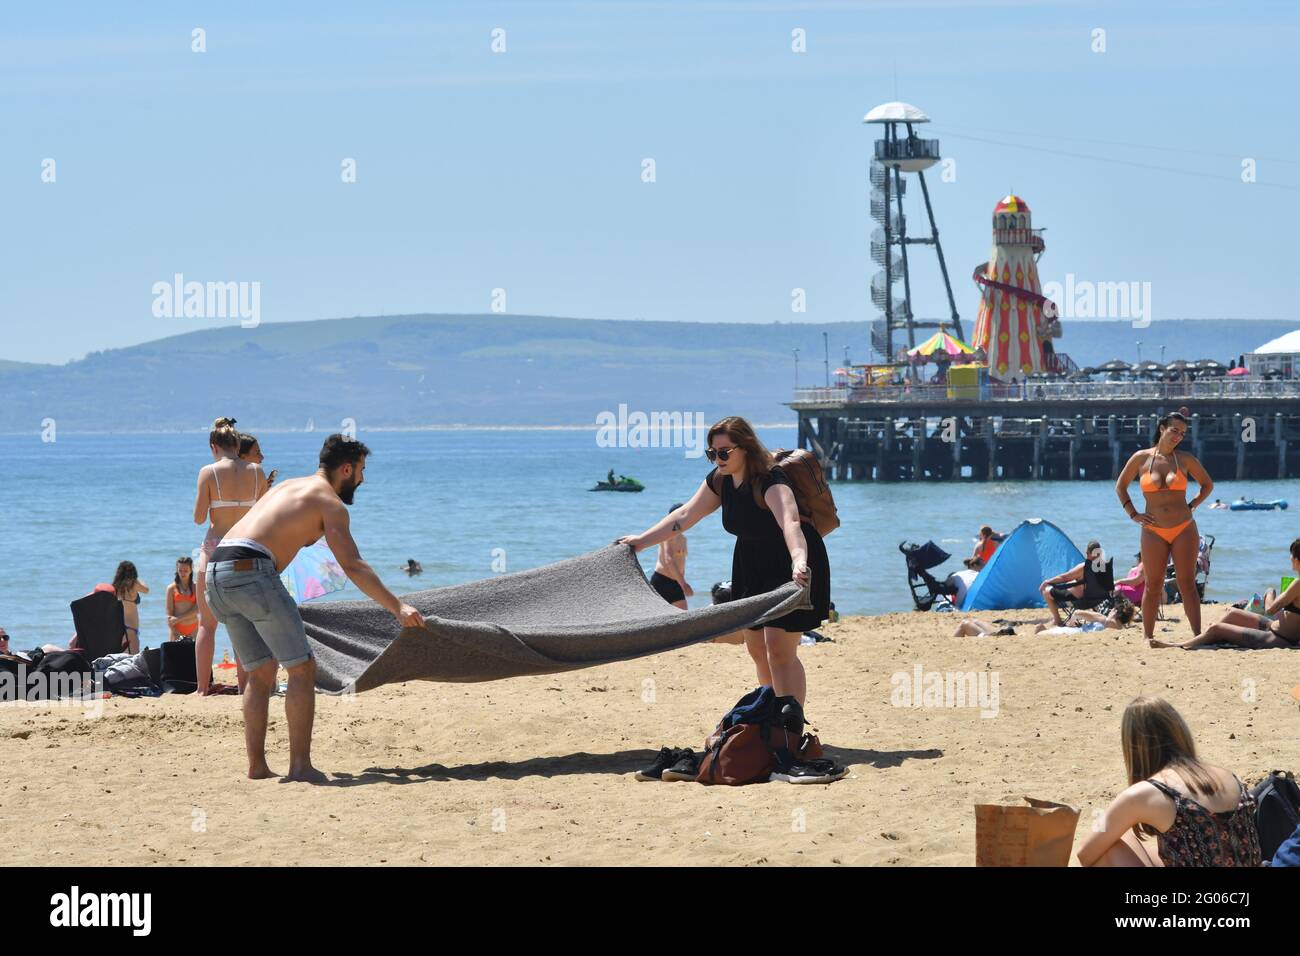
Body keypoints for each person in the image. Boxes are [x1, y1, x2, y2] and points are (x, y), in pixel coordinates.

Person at [205, 434, 425, 782]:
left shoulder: (289, 486)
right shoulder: (330, 503)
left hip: (217, 572)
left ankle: (257, 767)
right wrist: (397, 607)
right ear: (346, 468)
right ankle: (300, 767)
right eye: (362, 471)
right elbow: (354, 565)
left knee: (260, 674)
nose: (363, 480)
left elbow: (270, 530)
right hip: (251, 571)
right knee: (302, 668)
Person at [617, 416, 830, 709]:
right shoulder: (721, 481)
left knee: (779, 650)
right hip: (751, 563)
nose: (716, 459)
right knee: (756, 648)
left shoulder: (770, 481)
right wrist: (641, 541)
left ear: (746, 448)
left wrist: (799, 560)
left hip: (789, 565)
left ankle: (790, 724)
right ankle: (767, 715)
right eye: (711, 453)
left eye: (723, 452)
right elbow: (684, 516)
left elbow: (791, 523)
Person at [1077, 697, 1261, 867]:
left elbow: (1085, 853)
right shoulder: (1227, 775)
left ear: (1134, 747)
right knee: (1125, 836)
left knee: (1111, 844)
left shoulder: (1147, 792)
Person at [1116, 411, 1212, 642]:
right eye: (1174, 430)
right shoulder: (1141, 458)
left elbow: (1207, 485)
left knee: (1186, 582)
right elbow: (1120, 486)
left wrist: (1193, 505)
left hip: (1184, 528)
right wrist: (1133, 514)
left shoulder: (1185, 459)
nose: (1178, 436)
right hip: (1153, 530)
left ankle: (1197, 635)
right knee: (1153, 584)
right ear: (1162, 428)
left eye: (1183, 433)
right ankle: (1148, 636)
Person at [193, 417, 267, 695]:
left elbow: (199, 518)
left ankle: (202, 689)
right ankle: (245, 687)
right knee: (243, 623)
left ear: (214, 446)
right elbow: (263, 515)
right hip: (246, 547)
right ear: (237, 445)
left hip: (215, 549)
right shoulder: (257, 472)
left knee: (206, 624)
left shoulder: (208, 472)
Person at [1150, 538, 1300, 650]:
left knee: (1217, 628)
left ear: (1298, 560)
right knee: (1233, 614)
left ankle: (1180, 646)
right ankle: (1207, 638)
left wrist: (1270, 593)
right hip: (1274, 627)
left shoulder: (1298, 583)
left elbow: (1271, 610)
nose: (1289, 558)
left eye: (1291, 555)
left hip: (1276, 639)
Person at [1038, 541, 1103, 626]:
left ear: (1088, 553)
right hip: (1096, 601)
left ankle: (1057, 620)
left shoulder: (1084, 567)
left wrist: (1047, 581)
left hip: (1080, 602)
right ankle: (1097, 615)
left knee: (1046, 592)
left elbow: (1064, 577)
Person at [649, 502, 692, 610]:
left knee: (683, 618)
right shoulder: (667, 535)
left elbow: (681, 563)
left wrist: (682, 581)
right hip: (661, 580)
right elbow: (668, 560)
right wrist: (683, 584)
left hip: (676, 582)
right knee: (657, 617)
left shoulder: (683, 539)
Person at [1032, 597, 1136, 634]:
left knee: (1038, 628)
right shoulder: (1119, 627)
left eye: (1112, 609)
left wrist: (1071, 623)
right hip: (1076, 632)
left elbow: (1077, 613)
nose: (1110, 610)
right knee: (1041, 628)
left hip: (1072, 632)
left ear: (1115, 612)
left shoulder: (1104, 620)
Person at [111, 561, 148, 654]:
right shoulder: (134, 584)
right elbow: (146, 589)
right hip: (131, 628)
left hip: (120, 626)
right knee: (133, 657)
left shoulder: (116, 587)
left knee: (122, 657)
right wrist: (138, 579)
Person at [165, 556, 199, 640]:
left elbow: (198, 609)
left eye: (186, 570)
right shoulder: (171, 588)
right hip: (176, 630)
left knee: (193, 653)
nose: (182, 573)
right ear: (177, 570)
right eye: (180, 570)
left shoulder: (196, 587)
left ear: (191, 570)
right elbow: (169, 614)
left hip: (193, 629)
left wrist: (178, 619)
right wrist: (174, 631)